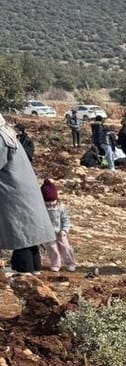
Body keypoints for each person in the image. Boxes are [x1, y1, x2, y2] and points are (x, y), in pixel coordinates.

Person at [1, 114, 54, 275]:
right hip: (22, 190)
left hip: (14, 193)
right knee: (28, 231)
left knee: (19, 230)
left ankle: (23, 270)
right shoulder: (7, 135)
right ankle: (33, 267)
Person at [40, 180, 77, 272]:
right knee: (52, 249)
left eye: (53, 201)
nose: (51, 204)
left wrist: (64, 230)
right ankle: (55, 264)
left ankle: (70, 263)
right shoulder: (42, 208)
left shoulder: (61, 207)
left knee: (65, 247)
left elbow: (65, 219)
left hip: (60, 232)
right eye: (47, 202)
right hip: (48, 233)